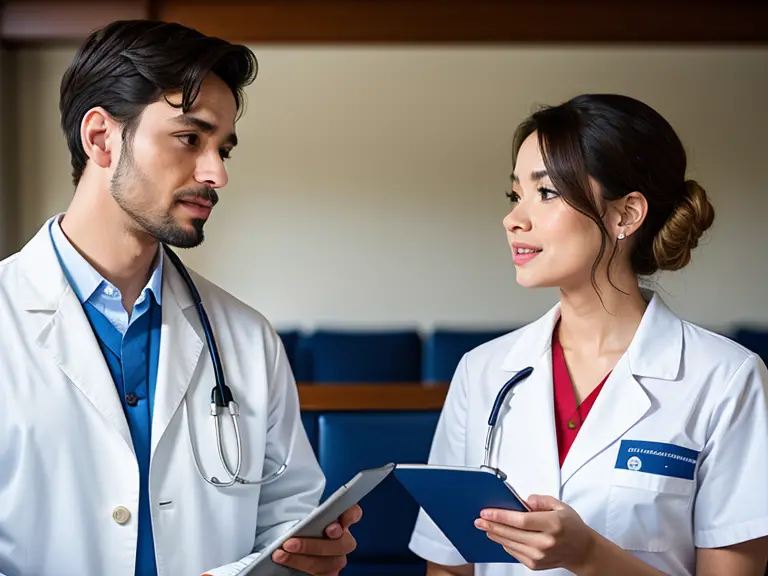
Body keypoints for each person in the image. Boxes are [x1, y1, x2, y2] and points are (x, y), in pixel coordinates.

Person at [0, 20, 361, 576]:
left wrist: (304, 553)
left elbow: (286, 512)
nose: (215, 172)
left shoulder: (244, 336)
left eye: (223, 149)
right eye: (190, 138)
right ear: (100, 138)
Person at [409, 94, 768, 575]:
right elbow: (449, 566)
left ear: (626, 215)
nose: (514, 218)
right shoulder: (482, 371)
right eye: (516, 194)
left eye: (548, 192)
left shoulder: (726, 379)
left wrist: (588, 555)